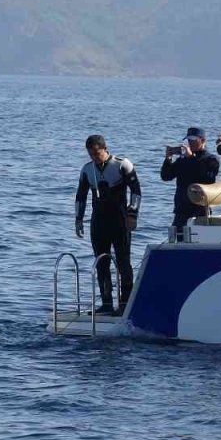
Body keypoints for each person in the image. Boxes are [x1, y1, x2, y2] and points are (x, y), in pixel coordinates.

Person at [76, 134, 142, 315]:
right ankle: (106, 303)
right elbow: (80, 197)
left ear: (105, 149)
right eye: (90, 154)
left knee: (123, 262)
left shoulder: (122, 164)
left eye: (97, 153)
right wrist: (78, 220)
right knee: (101, 261)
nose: (94, 157)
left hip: (120, 220)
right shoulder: (87, 170)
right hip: (99, 221)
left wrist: (132, 215)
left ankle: (125, 303)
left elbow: (136, 191)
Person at [161, 127, 221, 233]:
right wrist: (168, 159)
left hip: (201, 210)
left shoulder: (211, 159)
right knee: (177, 238)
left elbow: (207, 178)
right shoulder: (183, 160)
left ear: (202, 140)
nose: (190, 143)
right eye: (189, 140)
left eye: (193, 140)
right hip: (182, 209)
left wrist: (191, 159)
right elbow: (166, 176)